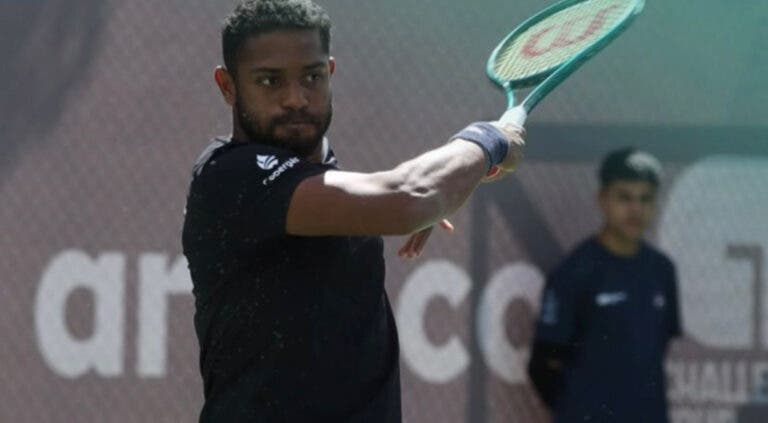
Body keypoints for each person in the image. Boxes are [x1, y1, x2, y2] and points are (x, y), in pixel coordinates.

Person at [181, 0, 526, 421]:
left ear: (330, 72)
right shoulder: (230, 176)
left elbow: (406, 200)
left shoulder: (323, 176)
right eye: (269, 81)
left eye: (311, 77)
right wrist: (488, 140)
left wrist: (431, 197)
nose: (295, 98)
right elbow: (407, 196)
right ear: (227, 86)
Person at [527, 147, 682, 423]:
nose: (636, 209)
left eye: (645, 198)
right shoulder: (574, 271)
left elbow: (657, 348)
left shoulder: (662, 270)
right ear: (603, 199)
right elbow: (542, 365)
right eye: (624, 197)